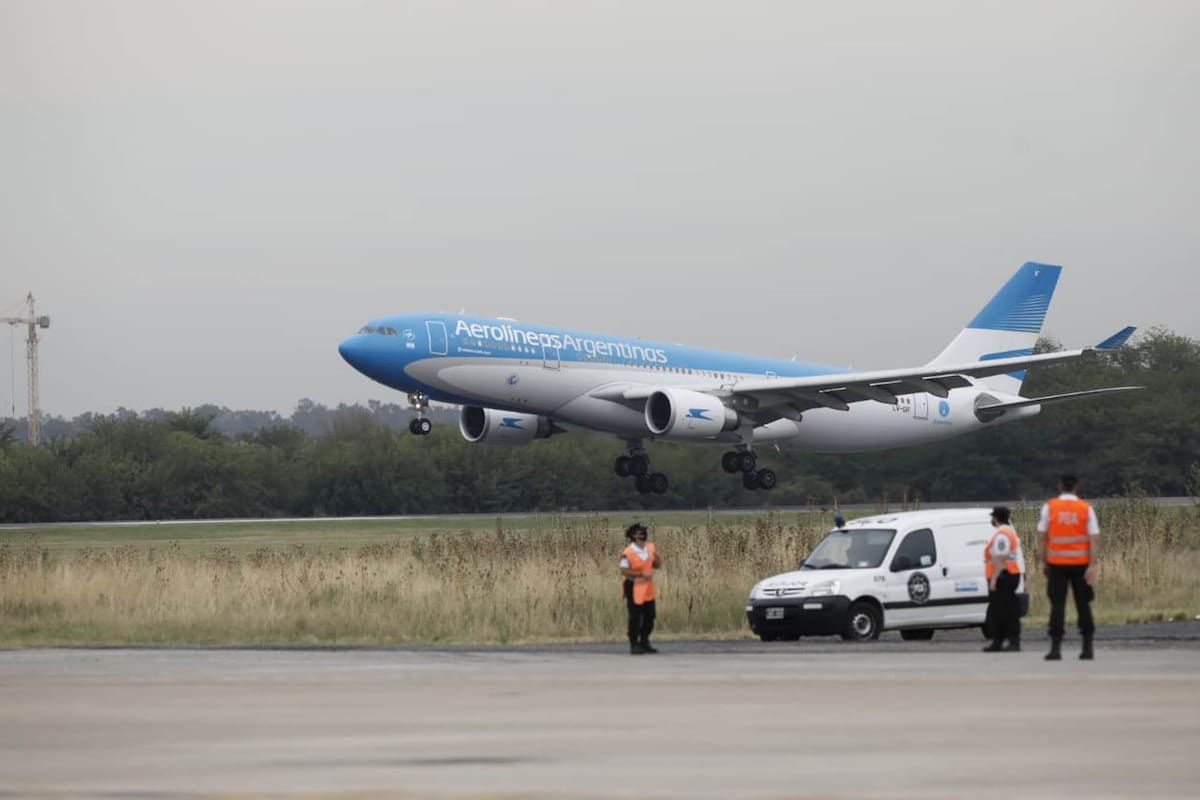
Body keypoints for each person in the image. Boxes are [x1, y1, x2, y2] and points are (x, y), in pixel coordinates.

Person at [1038, 474, 1100, 660]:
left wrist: (1043, 562)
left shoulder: (1050, 507)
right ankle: (1087, 647)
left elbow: (1041, 537)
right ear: (1076, 487)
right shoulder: (1085, 508)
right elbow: (1093, 540)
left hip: (1056, 564)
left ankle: (1055, 648)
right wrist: (1092, 565)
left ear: (1060, 486)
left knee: (1057, 605)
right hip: (1080, 564)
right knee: (1083, 605)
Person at [982, 506, 1023, 652]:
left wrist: (994, 578)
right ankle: (1000, 641)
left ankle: (1008, 641)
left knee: (1002, 610)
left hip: (1004, 576)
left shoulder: (1002, 534)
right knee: (1003, 610)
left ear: (996, 518)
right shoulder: (1007, 532)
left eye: (993, 517)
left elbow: (1001, 557)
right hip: (1008, 574)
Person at [619, 521, 662, 655]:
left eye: (644, 531)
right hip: (634, 586)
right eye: (640, 531)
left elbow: (657, 565)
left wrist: (657, 558)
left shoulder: (650, 548)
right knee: (635, 616)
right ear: (633, 535)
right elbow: (624, 570)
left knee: (650, 616)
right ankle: (634, 644)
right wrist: (640, 574)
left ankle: (644, 641)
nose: (643, 533)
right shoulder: (628, 552)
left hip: (648, 587)